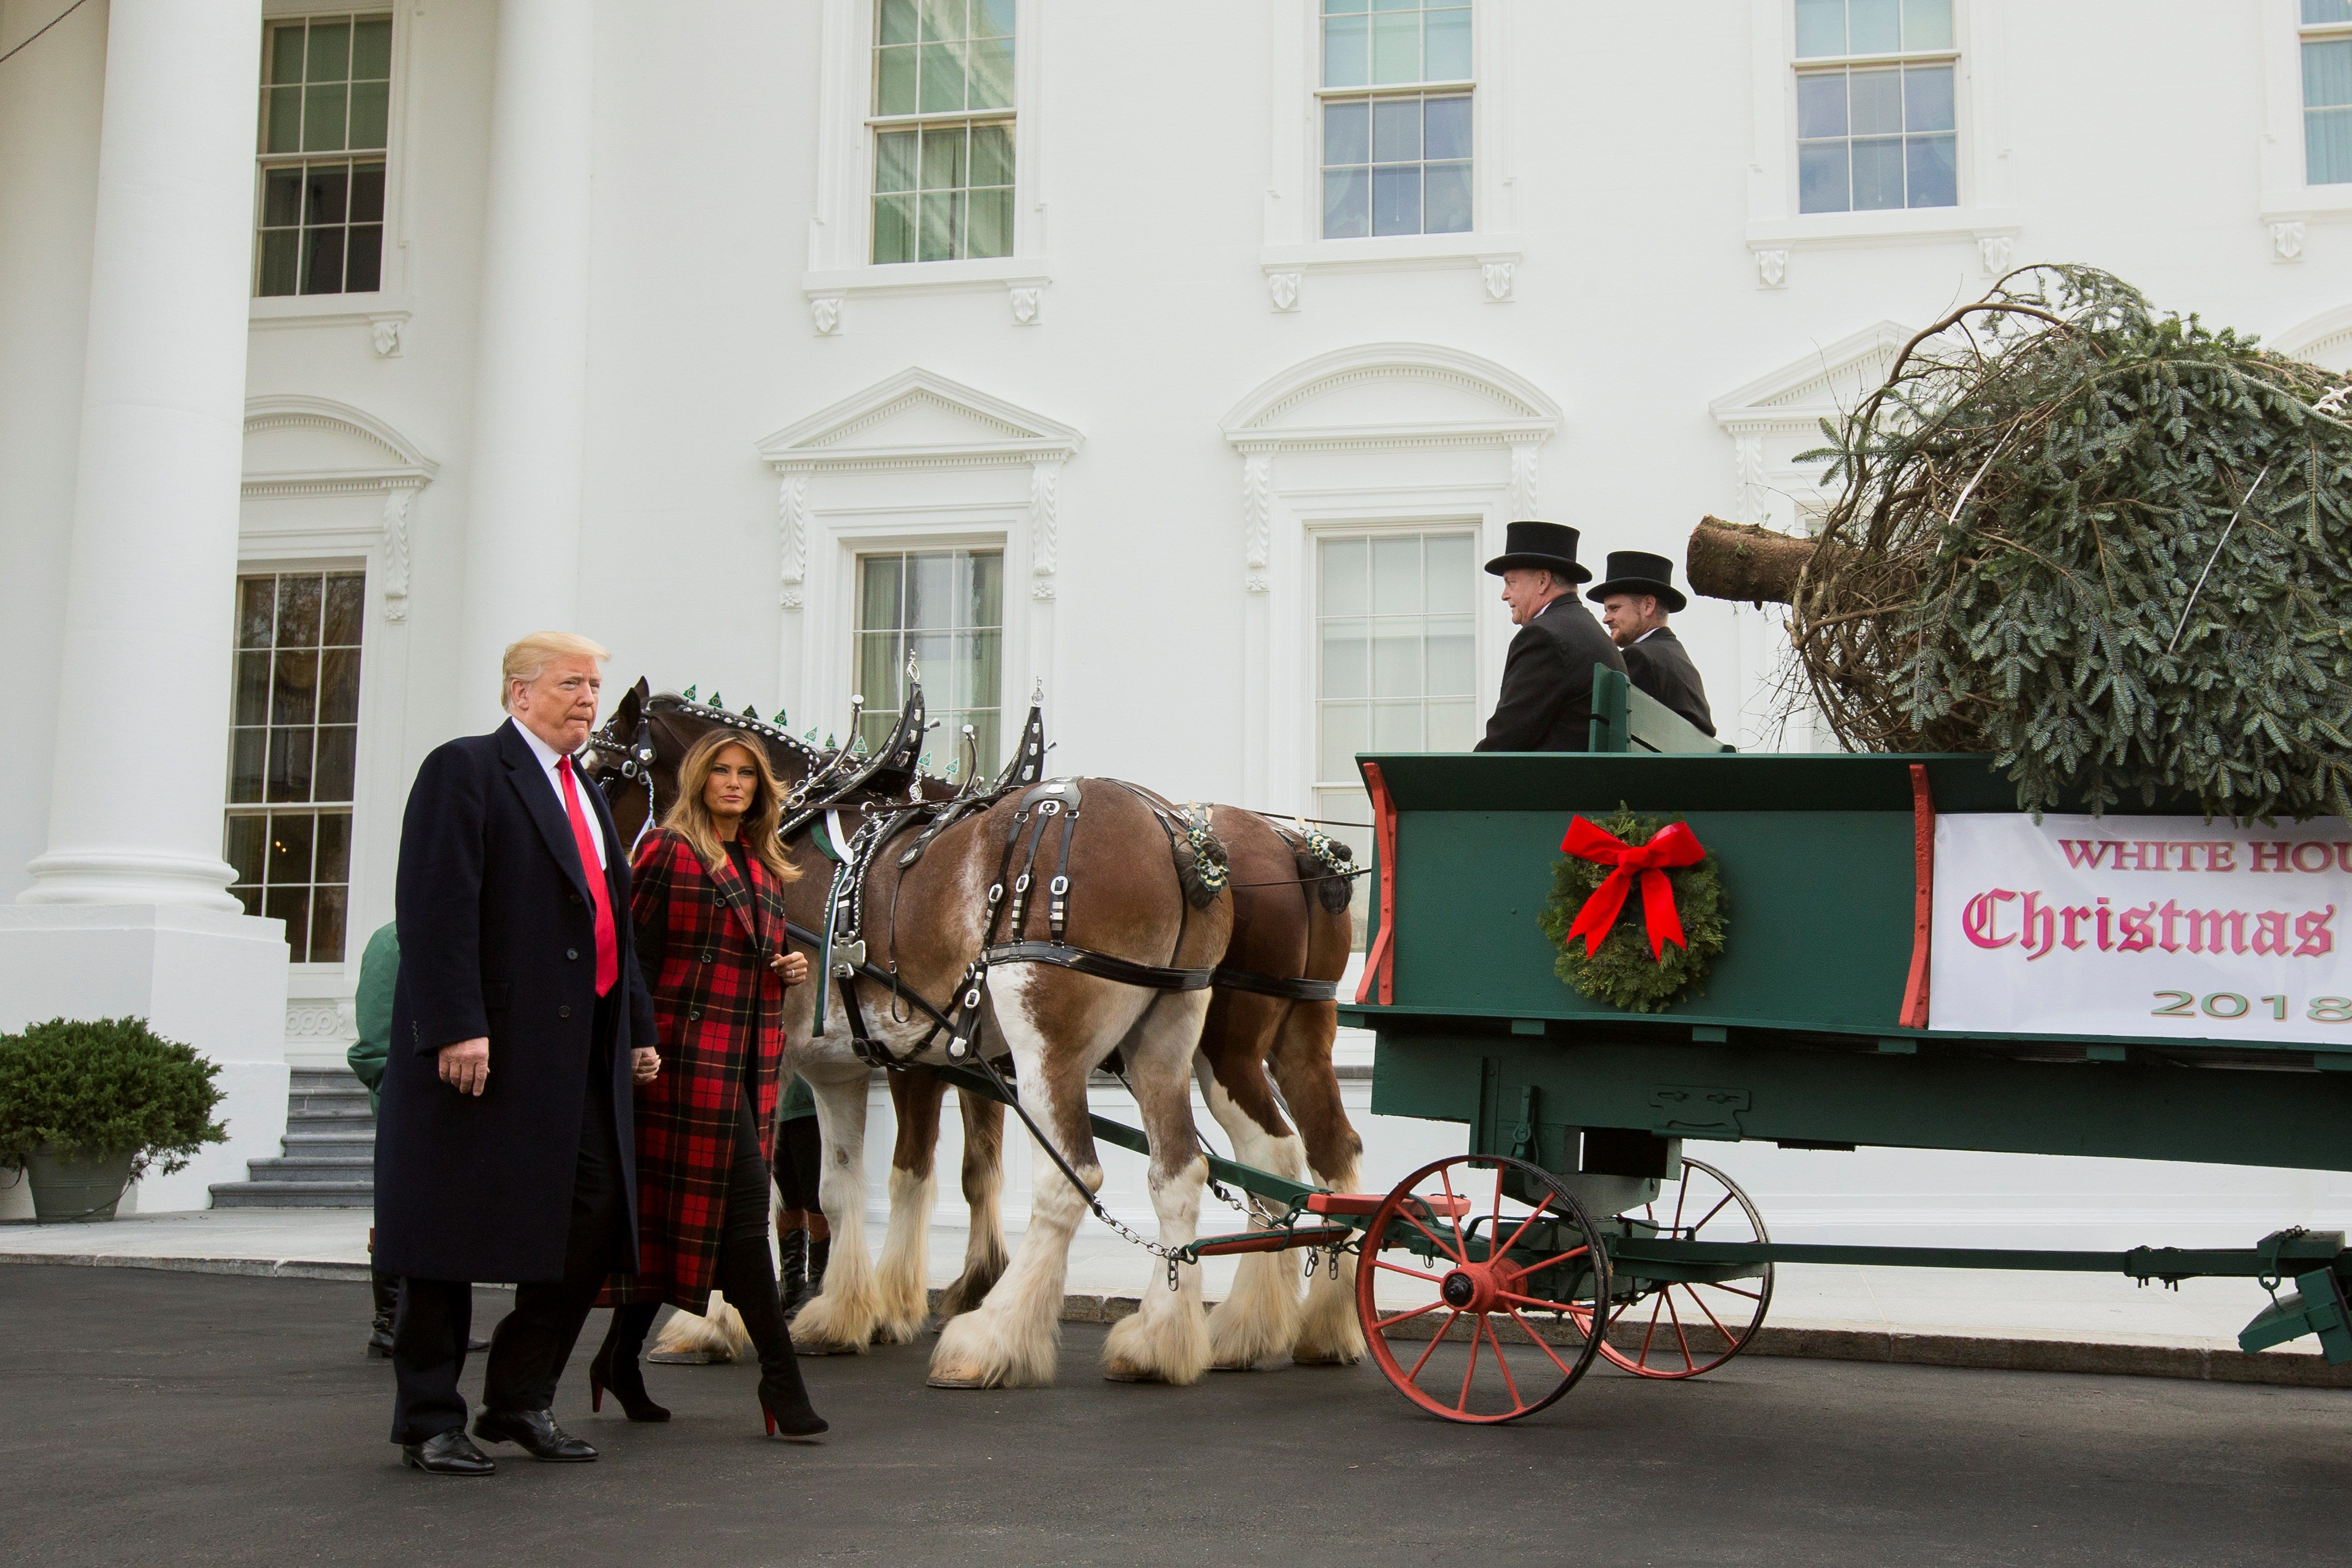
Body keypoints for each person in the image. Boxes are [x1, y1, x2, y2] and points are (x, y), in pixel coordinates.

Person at [375, 631, 657, 1477]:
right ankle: (429, 1419)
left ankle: (519, 1398)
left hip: (582, 1051)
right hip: (486, 1048)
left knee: (597, 1211)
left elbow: (612, 927)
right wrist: (456, 1024)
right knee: (447, 1234)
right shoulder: (464, 770)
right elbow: (435, 908)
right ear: (517, 693)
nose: (587, 699)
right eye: (571, 683)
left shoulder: (589, 794)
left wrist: (636, 1026)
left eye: (594, 686)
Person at [587, 729, 828, 1438]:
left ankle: (619, 1360)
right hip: (680, 1064)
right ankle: (783, 1385)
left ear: (760, 789)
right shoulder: (667, 851)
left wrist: (788, 967)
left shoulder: (762, 864)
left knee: (676, 1217)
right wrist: (637, 1046)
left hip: (748, 1064)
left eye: (745, 776)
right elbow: (633, 957)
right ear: (699, 781)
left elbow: (753, 952)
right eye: (721, 772)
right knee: (747, 1212)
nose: (733, 784)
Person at [1473, 520, 1628, 752]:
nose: (1505, 595)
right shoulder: (1591, 632)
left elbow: (1506, 739)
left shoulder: (1544, 637)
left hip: (1556, 785)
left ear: (1543, 581)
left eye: (1510, 582)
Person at [1588, 549, 1715, 737]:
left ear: (1648, 606)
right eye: (1607, 610)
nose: (1606, 619)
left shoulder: (1640, 657)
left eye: (1614, 608)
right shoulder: (1674, 654)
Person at [774, 1073, 827, 1318]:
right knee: (786, 1200)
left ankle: (818, 1282)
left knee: (815, 1197)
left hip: (811, 1105)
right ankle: (792, 1283)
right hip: (777, 1105)